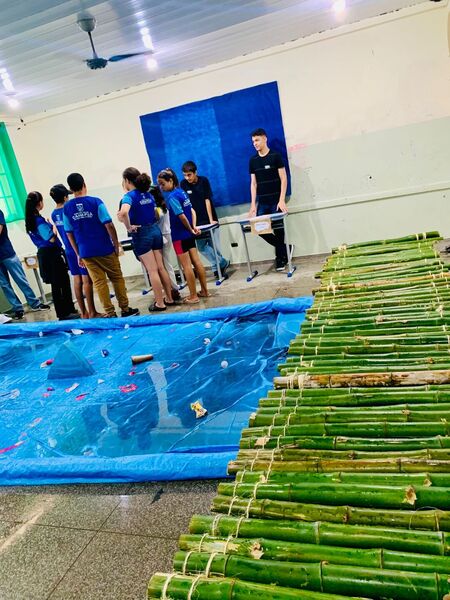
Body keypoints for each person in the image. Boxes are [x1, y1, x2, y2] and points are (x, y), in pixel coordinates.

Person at [64, 173, 139, 318]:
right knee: (116, 277)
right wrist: (116, 244)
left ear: (71, 189)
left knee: (99, 282)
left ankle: (110, 313)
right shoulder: (96, 202)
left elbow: (69, 233)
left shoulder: (67, 208)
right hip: (104, 248)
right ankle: (125, 309)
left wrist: (78, 253)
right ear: (84, 184)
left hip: (85, 252)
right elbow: (109, 224)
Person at [117, 167, 174, 312]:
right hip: (155, 231)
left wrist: (129, 227)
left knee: (152, 270)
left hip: (142, 234)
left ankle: (160, 303)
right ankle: (169, 298)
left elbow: (123, 212)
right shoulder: (148, 195)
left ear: (127, 181)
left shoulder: (129, 196)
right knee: (161, 267)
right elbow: (156, 214)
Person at [157, 168, 209, 304]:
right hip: (189, 233)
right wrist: (194, 227)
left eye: (162, 184)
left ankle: (193, 296)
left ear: (171, 181)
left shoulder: (172, 197)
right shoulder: (182, 192)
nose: (161, 187)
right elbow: (192, 211)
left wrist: (190, 228)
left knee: (186, 266)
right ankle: (204, 291)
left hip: (180, 236)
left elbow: (182, 216)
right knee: (196, 261)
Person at [50, 184, 102, 319]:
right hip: (78, 248)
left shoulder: (54, 214)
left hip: (68, 250)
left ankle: (83, 312)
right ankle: (92, 311)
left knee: (77, 280)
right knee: (87, 281)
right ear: (65, 197)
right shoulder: (68, 210)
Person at [24, 191, 78, 321]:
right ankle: (64, 312)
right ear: (39, 203)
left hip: (46, 254)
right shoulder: (38, 220)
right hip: (51, 255)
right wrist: (54, 227)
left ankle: (67, 309)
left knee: (60, 282)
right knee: (60, 283)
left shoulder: (31, 220)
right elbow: (50, 238)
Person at [248, 127, 291, 271]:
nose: (255, 143)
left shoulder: (275, 156)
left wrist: (282, 200)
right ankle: (285, 249)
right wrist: (253, 205)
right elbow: (253, 184)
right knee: (260, 229)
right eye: (253, 141)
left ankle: (281, 259)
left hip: (276, 201)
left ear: (265, 139)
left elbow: (284, 178)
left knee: (279, 231)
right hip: (263, 203)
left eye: (257, 140)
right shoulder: (253, 161)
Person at [180, 161, 230, 278]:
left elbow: (207, 200)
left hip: (208, 218)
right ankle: (223, 262)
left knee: (214, 247)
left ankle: (217, 270)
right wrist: (191, 223)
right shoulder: (183, 184)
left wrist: (211, 219)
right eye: (185, 175)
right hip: (196, 222)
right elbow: (186, 205)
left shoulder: (204, 181)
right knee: (202, 247)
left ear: (195, 172)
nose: (187, 178)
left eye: (189, 175)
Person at [0, 208, 50, 320]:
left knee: (20, 279)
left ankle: (35, 304)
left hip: (7, 253)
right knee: (4, 284)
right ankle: (17, 309)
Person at [152, 185, 181, 301]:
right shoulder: (163, 207)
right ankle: (173, 288)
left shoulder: (158, 209)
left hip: (163, 236)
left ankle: (174, 288)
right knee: (166, 264)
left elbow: (155, 218)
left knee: (165, 265)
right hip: (166, 235)